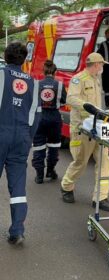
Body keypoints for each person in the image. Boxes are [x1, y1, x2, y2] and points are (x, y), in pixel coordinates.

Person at [61, 52, 109, 212]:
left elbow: (98, 104)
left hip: (98, 127)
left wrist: (107, 111)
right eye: (102, 65)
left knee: (105, 161)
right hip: (83, 129)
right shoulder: (79, 79)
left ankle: (101, 197)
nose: (103, 67)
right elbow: (71, 99)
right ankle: (66, 186)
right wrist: (87, 106)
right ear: (97, 65)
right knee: (80, 162)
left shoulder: (96, 80)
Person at [0, 42, 41, 245]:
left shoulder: (1, 75)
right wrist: (28, 137)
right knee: (18, 186)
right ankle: (17, 230)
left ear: (6, 57)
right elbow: (37, 114)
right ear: (24, 60)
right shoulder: (34, 83)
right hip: (22, 137)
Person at [32, 60, 67, 184]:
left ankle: (39, 175)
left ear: (43, 71)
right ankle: (51, 171)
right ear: (55, 72)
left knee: (39, 147)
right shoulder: (60, 85)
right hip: (54, 119)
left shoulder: (36, 84)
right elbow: (64, 101)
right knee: (53, 147)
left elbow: (32, 102)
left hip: (40, 118)